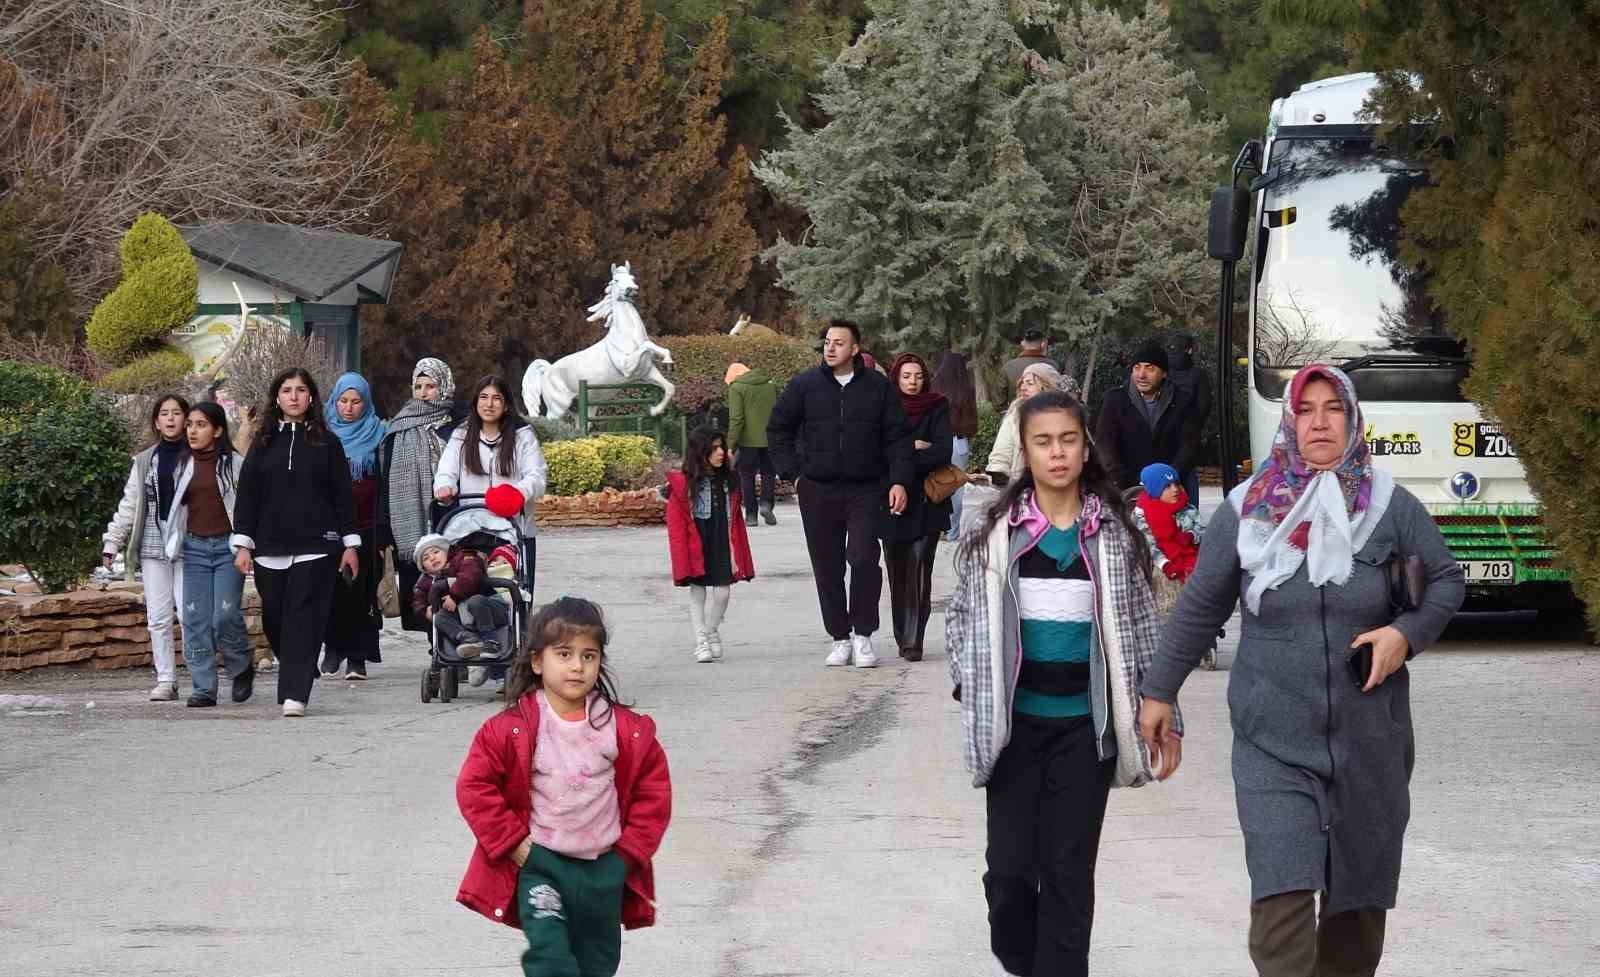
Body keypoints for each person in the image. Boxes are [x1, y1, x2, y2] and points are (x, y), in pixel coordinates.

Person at [1138, 364, 1465, 977]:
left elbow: (1446, 580)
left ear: (1352, 419)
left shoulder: (1390, 505)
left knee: (1357, 915)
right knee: (1281, 900)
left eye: (1333, 408)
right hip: (1273, 738)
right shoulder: (1246, 509)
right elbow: (1202, 604)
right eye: (1306, 409)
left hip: (1371, 740)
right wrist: (1158, 691)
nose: (1319, 422)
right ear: (1289, 421)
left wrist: (1405, 634)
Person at [946, 389, 1179, 977]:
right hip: (1015, 730)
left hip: (1085, 731)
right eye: (1044, 442)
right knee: (1009, 876)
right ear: (1025, 452)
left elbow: (1143, 627)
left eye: (1068, 440)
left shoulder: (1115, 533)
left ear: (1085, 449)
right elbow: (962, 618)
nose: (1057, 453)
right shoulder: (994, 533)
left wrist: (1165, 711)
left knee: (1069, 874)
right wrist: (969, 684)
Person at [455, 597, 672, 977]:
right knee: (551, 957)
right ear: (538, 662)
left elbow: (653, 795)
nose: (577, 666)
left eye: (589, 656)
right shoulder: (512, 729)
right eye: (564, 654)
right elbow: (474, 786)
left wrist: (626, 857)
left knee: (598, 965)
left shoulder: (623, 729)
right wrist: (515, 845)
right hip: (542, 867)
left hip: (603, 870)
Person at [768, 320, 913, 669]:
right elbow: (778, 428)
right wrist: (794, 475)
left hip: (866, 488)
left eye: (838, 343)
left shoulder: (878, 387)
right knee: (827, 566)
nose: (830, 348)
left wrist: (899, 481)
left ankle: (863, 635)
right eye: (827, 342)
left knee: (863, 559)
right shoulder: (805, 385)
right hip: (818, 489)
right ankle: (840, 638)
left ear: (855, 349)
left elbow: (898, 437)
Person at [231, 368, 360, 719]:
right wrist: (243, 544)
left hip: (317, 545)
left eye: (301, 390)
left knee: (304, 618)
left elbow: (342, 496)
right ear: (277, 397)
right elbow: (248, 497)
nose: (293, 396)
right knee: (275, 619)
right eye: (287, 390)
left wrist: (350, 544)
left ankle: (295, 693)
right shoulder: (262, 443)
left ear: (311, 398)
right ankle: (299, 666)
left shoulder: (328, 443)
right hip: (269, 546)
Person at [435, 375, 549, 693]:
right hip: (469, 527)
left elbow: (537, 475)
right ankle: (472, 652)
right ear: (475, 402)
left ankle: (508, 665)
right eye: (483, 397)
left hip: (512, 529)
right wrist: (444, 486)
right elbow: (446, 470)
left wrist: (517, 492)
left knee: (510, 593)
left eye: (496, 398)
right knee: (468, 588)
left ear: (506, 404)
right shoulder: (462, 435)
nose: (489, 404)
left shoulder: (522, 435)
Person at [102, 393, 190, 702]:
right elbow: (130, 504)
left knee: (189, 614)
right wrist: (113, 541)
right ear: (156, 421)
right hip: (153, 544)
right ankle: (166, 679)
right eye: (164, 413)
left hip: (190, 544)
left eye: (176, 412)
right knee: (158, 617)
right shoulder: (143, 461)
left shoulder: (198, 455)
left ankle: (200, 678)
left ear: (186, 418)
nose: (170, 418)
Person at [163, 402, 251, 708]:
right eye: (189, 424)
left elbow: (248, 507)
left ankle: (241, 666)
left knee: (224, 615)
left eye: (200, 425)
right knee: (194, 619)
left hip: (228, 548)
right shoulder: (181, 465)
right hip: (194, 549)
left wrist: (245, 545)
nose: (192, 431)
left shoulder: (235, 464)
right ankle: (203, 687)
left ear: (217, 430)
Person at [379, 357, 461, 634]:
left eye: (431, 386)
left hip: (451, 517)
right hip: (412, 525)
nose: (423, 393)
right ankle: (435, 647)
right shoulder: (399, 428)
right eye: (418, 386)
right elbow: (386, 481)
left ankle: (452, 641)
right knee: (424, 596)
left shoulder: (458, 425)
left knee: (456, 588)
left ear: (445, 386)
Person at [880, 353, 952, 662]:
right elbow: (877, 451)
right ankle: (902, 632)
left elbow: (942, 452)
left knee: (921, 566)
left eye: (919, 376)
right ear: (896, 377)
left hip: (927, 500)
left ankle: (914, 639)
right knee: (897, 569)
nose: (913, 382)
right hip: (892, 499)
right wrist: (913, 447)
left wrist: (901, 456)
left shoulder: (937, 406)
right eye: (907, 376)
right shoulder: (885, 406)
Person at [662, 426, 755, 663]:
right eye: (713, 449)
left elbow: (735, 516)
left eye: (721, 447)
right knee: (698, 592)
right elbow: (676, 523)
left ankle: (711, 629)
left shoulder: (729, 479)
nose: (721, 452)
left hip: (721, 539)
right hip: (697, 542)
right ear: (699, 452)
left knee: (723, 592)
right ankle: (701, 641)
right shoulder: (685, 483)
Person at [321, 373, 387, 680]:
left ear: (366, 402)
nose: (348, 408)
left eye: (356, 401)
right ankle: (333, 648)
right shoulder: (321, 434)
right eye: (343, 401)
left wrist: (384, 531)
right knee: (331, 590)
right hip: (329, 527)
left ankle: (357, 657)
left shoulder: (380, 434)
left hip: (367, 527)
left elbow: (385, 483)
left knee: (362, 592)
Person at [1094, 338, 1201, 492]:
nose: (1141, 375)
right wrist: (1127, 482)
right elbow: (1105, 446)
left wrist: (1166, 480)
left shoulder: (1183, 401)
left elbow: (1189, 447)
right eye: (1137, 368)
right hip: (1126, 488)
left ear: (1164, 373)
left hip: (1172, 487)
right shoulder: (1115, 399)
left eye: (1150, 368)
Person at [412, 534, 507, 659]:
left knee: (475, 601)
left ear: (446, 551)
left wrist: (454, 596)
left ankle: (490, 640)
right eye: (426, 558)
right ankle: (468, 638)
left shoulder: (463, 558)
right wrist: (424, 610)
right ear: (424, 567)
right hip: (464, 617)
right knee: (439, 617)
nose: (432, 558)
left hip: (490, 608)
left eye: (436, 552)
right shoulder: (427, 579)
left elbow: (470, 575)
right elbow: (418, 596)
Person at [986, 363, 1078, 486]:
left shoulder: (1066, 415)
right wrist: (999, 472)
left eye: (1029, 383)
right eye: (1022, 383)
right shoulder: (1015, 414)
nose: (1023, 388)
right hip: (1020, 484)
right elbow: (1002, 450)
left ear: (1046, 386)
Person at [725, 361, 778, 527]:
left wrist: (730, 445)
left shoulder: (737, 388)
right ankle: (766, 504)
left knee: (747, 476)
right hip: (771, 438)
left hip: (747, 441)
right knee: (769, 473)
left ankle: (751, 515)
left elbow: (737, 419)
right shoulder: (771, 385)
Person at [931, 352, 978, 538]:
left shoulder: (934, 387)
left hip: (936, 441)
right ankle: (953, 531)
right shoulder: (966, 389)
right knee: (957, 487)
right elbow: (972, 423)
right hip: (959, 442)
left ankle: (936, 527)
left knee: (935, 482)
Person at [1131, 462, 1200, 583]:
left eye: (1176, 484)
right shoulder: (1142, 515)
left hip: (1192, 558)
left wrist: (1192, 535)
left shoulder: (1186, 507)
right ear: (1154, 490)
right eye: (1167, 486)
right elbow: (1146, 544)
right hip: (1160, 564)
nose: (1175, 489)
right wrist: (1164, 564)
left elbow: (1203, 530)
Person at [1167, 334, 1213, 505]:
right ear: (1190, 350)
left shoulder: (1163, 373)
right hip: (1188, 434)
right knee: (1188, 473)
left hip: (1164, 433)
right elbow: (1204, 405)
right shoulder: (1198, 375)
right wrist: (1195, 425)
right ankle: (1192, 512)